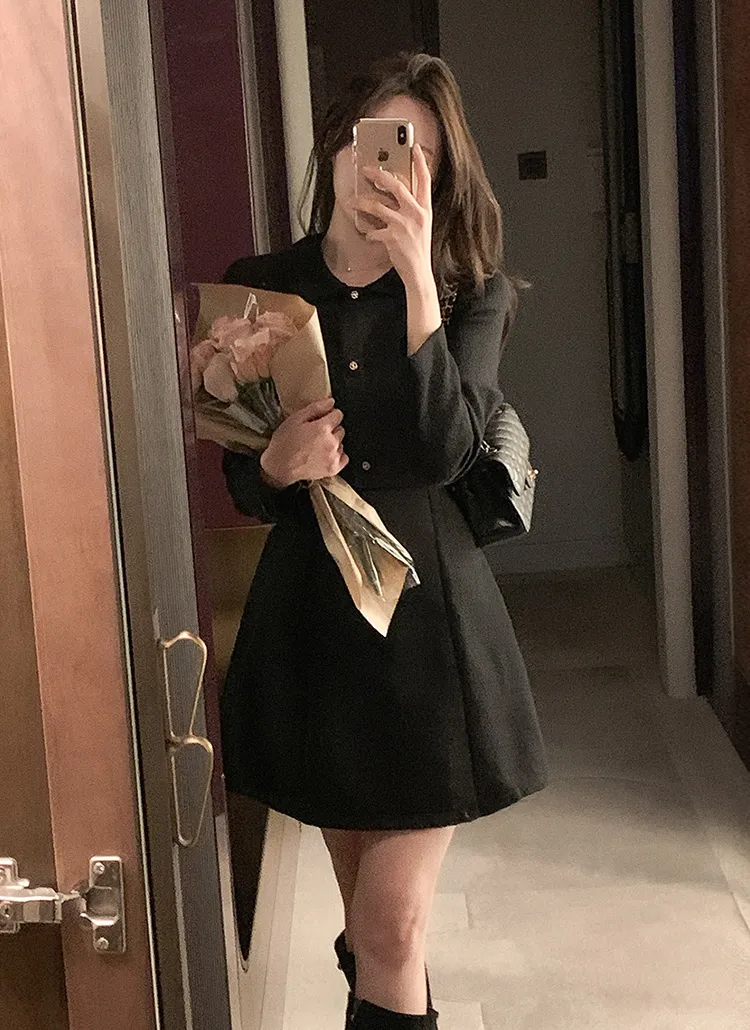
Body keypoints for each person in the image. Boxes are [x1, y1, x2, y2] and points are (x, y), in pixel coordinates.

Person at [219, 51, 549, 1030]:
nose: (398, 174)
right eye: (383, 147)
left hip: (430, 631)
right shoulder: (259, 289)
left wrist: (416, 285)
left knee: (392, 922)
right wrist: (278, 463)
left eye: (423, 158)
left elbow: (448, 450)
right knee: (369, 922)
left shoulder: (470, 293)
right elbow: (239, 482)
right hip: (315, 626)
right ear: (338, 147)